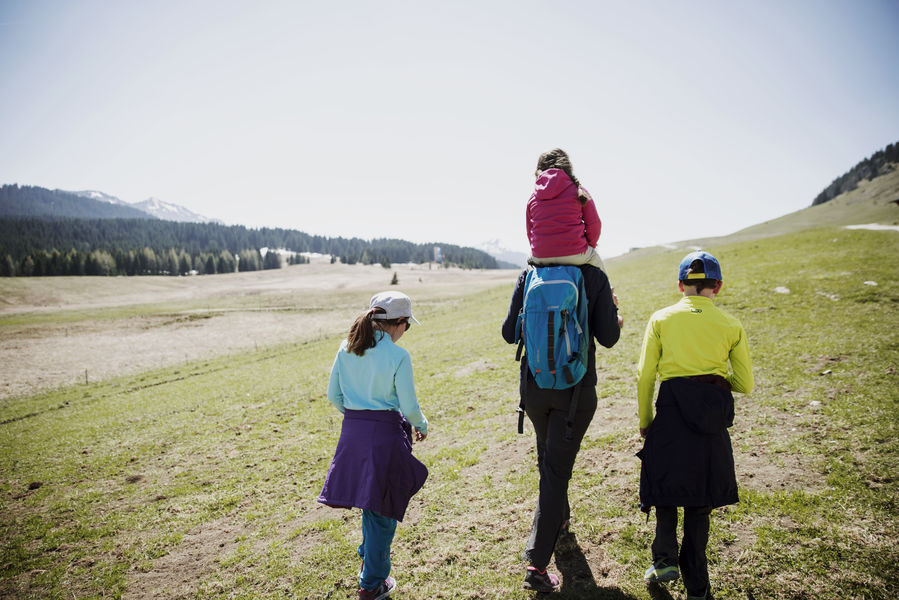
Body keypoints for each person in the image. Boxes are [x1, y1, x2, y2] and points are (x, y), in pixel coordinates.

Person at [635, 251, 753, 600]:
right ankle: (698, 587)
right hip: (711, 420)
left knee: (667, 489)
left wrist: (646, 421)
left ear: (680, 285)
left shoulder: (661, 319)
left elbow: (644, 375)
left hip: (670, 412)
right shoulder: (731, 325)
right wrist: (713, 379)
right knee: (700, 501)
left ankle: (664, 561)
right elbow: (745, 384)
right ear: (717, 285)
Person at [502, 264, 621, 592]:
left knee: (550, 460)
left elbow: (509, 333)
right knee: (554, 472)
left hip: (535, 387)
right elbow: (609, 337)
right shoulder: (593, 275)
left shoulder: (530, 275)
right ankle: (537, 565)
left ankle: (561, 519)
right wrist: (613, 311)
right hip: (575, 392)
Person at [318, 291, 429, 600]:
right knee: (382, 508)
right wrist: (422, 425)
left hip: (352, 434)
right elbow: (409, 406)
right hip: (385, 438)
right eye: (407, 326)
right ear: (399, 323)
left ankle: (369, 555)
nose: (406, 332)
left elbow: (334, 397)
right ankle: (372, 584)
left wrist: (357, 419)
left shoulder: (346, 348)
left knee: (371, 502)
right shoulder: (398, 356)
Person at [526, 148, 605, 271]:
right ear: (568, 167)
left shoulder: (533, 197)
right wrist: (588, 245)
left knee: (528, 269)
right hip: (575, 253)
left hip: (541, 256)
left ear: (538, 170)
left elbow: (530, 232)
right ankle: (608, 291)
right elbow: (594, 225)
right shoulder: (579, 191)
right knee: (596, 263)